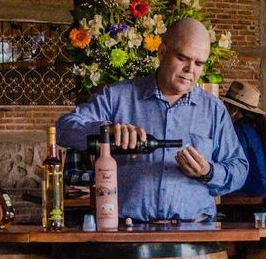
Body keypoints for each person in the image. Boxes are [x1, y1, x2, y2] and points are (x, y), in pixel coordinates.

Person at [55, 18, 248, 222]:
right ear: (162, 52)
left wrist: (208, 172)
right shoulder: (118, 96)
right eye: (183, 58)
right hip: (127, 235)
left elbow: (240, 169)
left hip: (195, 237)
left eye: (199, 63)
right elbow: (64, 129)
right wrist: (106, 131)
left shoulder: (214, 109)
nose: (190, 69)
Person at [223, 81, 266, 198]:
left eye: (226, 105)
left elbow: (238, 167)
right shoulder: (257, 128)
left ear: (234, 110)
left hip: (252, 196)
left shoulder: (240, 130)